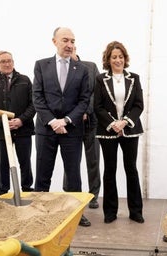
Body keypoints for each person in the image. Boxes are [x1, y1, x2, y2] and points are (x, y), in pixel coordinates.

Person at [32, 27, 92, 226]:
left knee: (73, 174)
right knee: (42, 173)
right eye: (65, 40)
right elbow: (37, 97)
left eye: (73, 41)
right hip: (45, 129)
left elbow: (84, 100)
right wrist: (52, 121)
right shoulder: (41, 65)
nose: (70, 45)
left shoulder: (82, 70)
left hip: (72, 130)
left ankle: (75, 213)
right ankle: (38, 213)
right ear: (54, 41)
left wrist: (65, 121)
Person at [94, 41, 144, 224]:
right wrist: (113, 123)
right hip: (108, 131)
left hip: (130, 129)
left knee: (131, 169)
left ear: (125, 58)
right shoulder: (100, 79)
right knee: (110, 170)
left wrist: (125, 122)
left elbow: (139, 105)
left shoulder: (134, 78)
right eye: (114, 57)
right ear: (108, 59)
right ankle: (110, 212)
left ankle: (136, 211)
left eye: (121, 57)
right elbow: (97, 107)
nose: (118, 60)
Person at [0, 51, 35, 196]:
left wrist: (21, 120)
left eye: (9, 61)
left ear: (13, 62)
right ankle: (3, 192)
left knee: (25, 162)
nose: (7, 64)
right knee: (3, 163)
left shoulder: (25, 80)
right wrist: (3, 122)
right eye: (3, 61)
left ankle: (27, 191)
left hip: (23, 130)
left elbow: (33, 104)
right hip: (1, 131)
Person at [62, 46, 101, 209]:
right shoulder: (63, 69)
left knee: (93, 160)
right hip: (71, 124)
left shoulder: (90, 67)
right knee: (71, 162)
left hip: (91, 123)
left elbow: (97, 92)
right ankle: (70, 192)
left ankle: (93, 195)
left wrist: (86, 110)